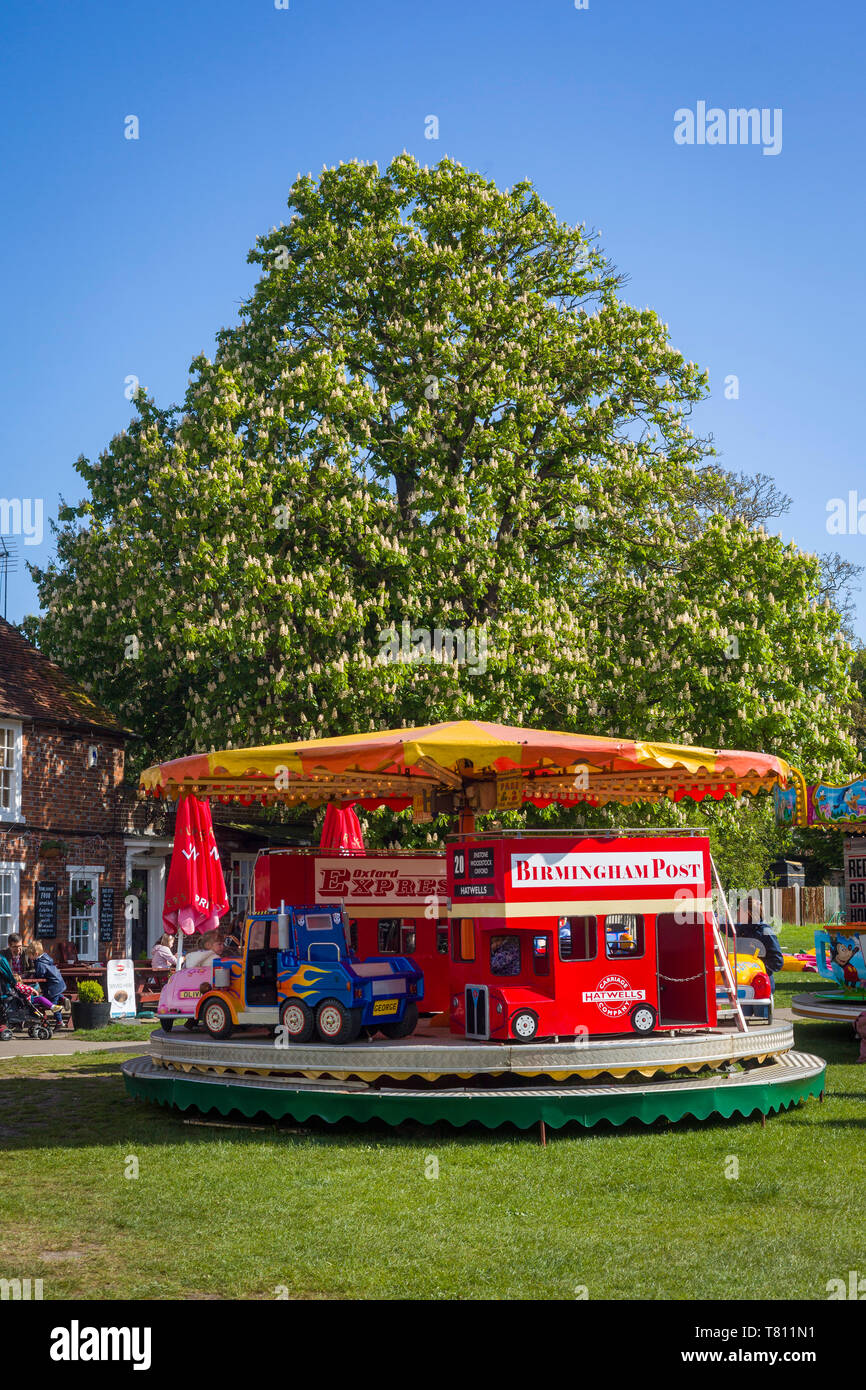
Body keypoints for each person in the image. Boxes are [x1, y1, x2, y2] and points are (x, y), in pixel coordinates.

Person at [736, 897, 784, 992]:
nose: (737, 913)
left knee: (760, 1007)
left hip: (762, 986)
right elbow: (727, 927)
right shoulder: (742, 930)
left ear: (748, 913)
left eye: (739, 910)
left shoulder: (765, 932)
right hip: (745, 985)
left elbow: (777, 961)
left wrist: (758, 968)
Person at [27, 942, 67, 1030]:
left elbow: (41, 974)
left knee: (53, 1005)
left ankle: (59, 1021)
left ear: (36, 954)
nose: (29, 958)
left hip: (52, 986)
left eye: (30, 955)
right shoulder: (46, 958)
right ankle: (63, 998)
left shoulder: (39, 963)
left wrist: (34, 975)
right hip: (58, 983)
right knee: (55, 997)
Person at [0, 953, 15, 1040]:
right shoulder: (2, 959)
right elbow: (9, 974)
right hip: (3, 992)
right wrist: (14, 982)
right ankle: (3, 1026)